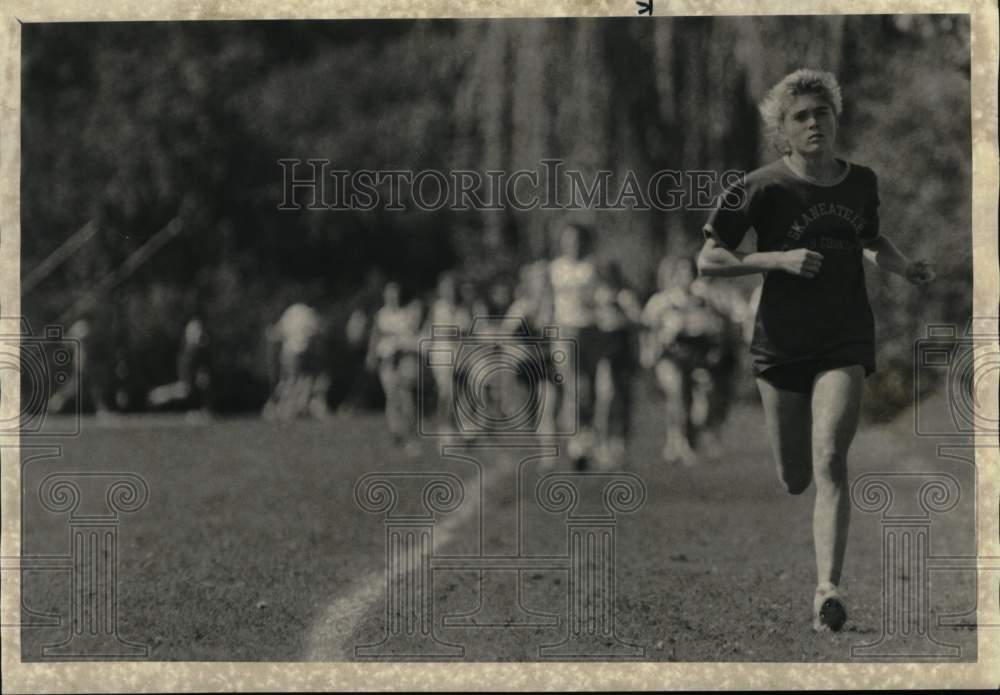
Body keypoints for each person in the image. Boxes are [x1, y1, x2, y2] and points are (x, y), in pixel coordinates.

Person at [697, 69, 935, 632]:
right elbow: (707, 261)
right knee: (796, 478)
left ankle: (828, 589)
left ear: (835, 120)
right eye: (800, 116)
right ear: (782, 130)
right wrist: (776, 260)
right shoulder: (758, 187)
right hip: (780, 344)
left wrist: (903, 267)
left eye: (821, 113)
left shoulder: (861, 182)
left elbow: (871, 240)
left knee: (831, 458)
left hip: (844, 337)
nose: (813, 123)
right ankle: (819, 557)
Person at [548, 222, 599, 468]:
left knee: (587, 389)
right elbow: (545, 301)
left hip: (589, 331)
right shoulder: (554, 269)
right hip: (563, 332)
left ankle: (584, 438)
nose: (573, 244)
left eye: (577, 239)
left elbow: (603, 298)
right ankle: (575, 443)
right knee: (573, 387)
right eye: (568, 239)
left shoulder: (592, 268)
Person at [591, 260, 642, 468]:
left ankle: (620, 443)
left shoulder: (625, 296)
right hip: (603, 348)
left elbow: (638, 320)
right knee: (606, 396)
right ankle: (601, 443)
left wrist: (621, 309)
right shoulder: (594, 296)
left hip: (622, 348)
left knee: (625, 397)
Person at [366, 281, 424, 455]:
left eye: (395, 293)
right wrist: (371, 354)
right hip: (387, 360)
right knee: (391, 397)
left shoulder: (407, 314)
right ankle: (396, 433)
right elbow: (375, 335)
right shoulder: (381, 314)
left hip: (405, 358)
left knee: (406, 396)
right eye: (389, 293)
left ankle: (411, 434)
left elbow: (411, 335)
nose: (392, 297)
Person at [146, 317, 213, 416]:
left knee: (190, 388)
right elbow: (187, 385)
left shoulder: (198, 352)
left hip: (190, 377)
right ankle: (158, 395)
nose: (200, 333)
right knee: (186, 389)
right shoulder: (188, 355)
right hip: (188, 376)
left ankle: (159, 395)